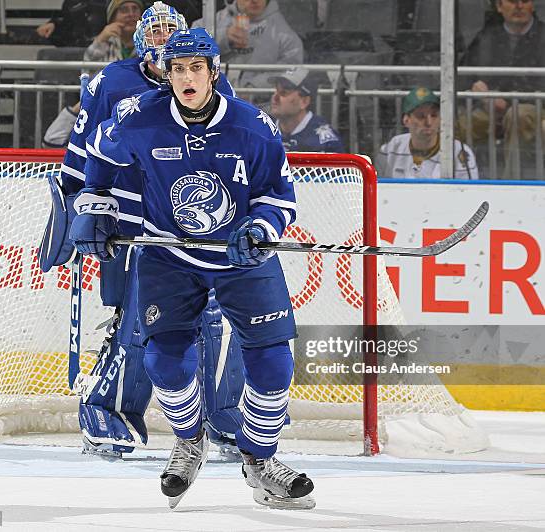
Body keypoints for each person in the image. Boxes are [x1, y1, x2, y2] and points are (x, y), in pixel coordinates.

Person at [70, 28, 315, 510]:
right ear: (168, 73)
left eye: (195, 69)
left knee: (273, 364)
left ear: (213, 72)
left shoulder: (253, 126)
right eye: (178, 68)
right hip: (169, 255)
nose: (186, 77)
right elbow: (97, 152)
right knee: (164, 359)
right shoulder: (138, 118)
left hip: (242, 258)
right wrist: (92, 204)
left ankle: (261, 462)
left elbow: (279, 194)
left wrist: (262, 226)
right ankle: (188, 441)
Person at [40, 2, 242, 459]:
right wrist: (79, 204)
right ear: (139, 43)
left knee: (214, 319)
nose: (165, 43)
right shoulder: (112, 82)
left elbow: (230, 144)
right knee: (140, 318)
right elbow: (83, 150)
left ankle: (223, 414)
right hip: (130, 218)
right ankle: (109, 409)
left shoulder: (207, 81)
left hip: (192, 215)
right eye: (157, 36)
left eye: (175, 37)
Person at [42, 0, 145, 148]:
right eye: (124, 10)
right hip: (104, 111)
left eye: (135, 9)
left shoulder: (149, 50)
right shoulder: (103, 43)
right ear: (112, 17)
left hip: (137, 112)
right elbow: (49, 144)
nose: (130, 14)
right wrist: (101, 38)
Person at [459, 0, 545, 175]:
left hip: (537, 109)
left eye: (525, 1)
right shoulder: (486, 37)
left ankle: (513, 186)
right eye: (513, 1)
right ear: (499, 6)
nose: (519, 6)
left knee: (517, 115)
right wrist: (477, 91)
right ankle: (451, 182)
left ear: (533, 6)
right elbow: (462, 76)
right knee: (453, 126)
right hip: (489, 110)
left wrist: (504, 104)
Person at [192, 0, 304, 92]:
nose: (255, 1)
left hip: (260, 106)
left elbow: (292, 67)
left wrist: (253, 87)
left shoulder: (283, 32)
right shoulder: (214, 21)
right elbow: (189, 47)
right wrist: (223, 37)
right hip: (216, 98)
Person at [376, 87, 479, 179]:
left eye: (434, 115)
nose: (429, 123)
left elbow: (468, 194)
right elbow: (376, 189)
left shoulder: (458, 152)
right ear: (406, 120)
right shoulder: (392, 148)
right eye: (421, 116)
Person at [269, 67, 345, 153]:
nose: (275, 97)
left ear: (304, 102)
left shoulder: (325, 142)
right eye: (275, 90)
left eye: (284, 92)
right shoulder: (261, 130)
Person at [36, 0, 107, 47]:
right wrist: (54, 26)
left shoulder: (111, 2)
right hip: (77, 55)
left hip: (107, 52)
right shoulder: (70, 3)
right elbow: (68, 32)